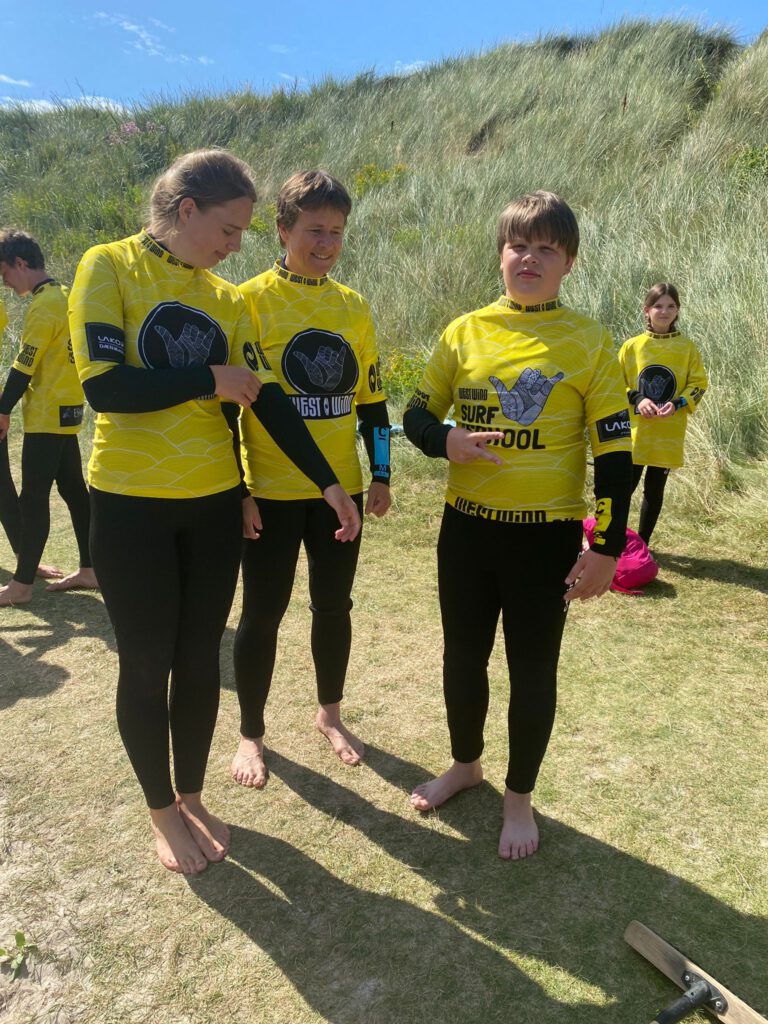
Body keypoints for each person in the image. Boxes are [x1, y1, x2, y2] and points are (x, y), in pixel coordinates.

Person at [67, 149, 360, 877]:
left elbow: (268, 400)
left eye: (243, 234)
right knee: (146, 661)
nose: (235, 246)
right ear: (187, 210)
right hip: (131, 502)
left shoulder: (227, 301)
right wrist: (207, 377)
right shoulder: (108, 266)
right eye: (228, 230)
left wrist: (327, 482)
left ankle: (190, 794)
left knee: (199, 658)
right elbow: (107, 389)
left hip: (211, 506)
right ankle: (160, 808)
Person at [403, 191, 633, 860]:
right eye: (517, 245)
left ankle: (518, 799)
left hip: (545, 539)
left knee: (533, 670)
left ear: (569, 263)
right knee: (461, 658)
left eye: (546, 248)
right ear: (501, 254)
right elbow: (417, 414)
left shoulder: (590, 341)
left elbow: (616, 456)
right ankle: (466, 765)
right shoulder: (463, 330)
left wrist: (606, 547)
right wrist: (446, 442)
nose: (528, 257)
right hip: (466, 531)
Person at [230, 170, 391, 789]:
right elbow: (227, 409)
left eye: (337, 232)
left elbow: (372, 401)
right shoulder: (246, 300)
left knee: (333, 606)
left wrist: (379, 473)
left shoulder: (352, 306)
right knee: (262, 614)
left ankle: (330, 714)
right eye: (314, 230)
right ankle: (251, 735)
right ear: (282, 229)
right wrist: (240, 488)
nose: (326, 243)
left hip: (340, 495)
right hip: (269, 492)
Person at [0, 230, 95, 607]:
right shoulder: (67, 294)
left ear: (21, 264)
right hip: (69, 411)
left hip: (45, 416)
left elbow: (25, 364)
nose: (5, 283)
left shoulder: (44, 304)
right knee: (74, 490)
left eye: (5, 273)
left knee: (34, 499)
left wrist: (3, 408)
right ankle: (90, 568)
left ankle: (21, 585)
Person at [618, 283, 707, 545]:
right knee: (624, 489)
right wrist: (638, 398)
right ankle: (613, 543)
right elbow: (612, 382)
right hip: (636, 432)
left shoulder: (687, 348)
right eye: (658, 306)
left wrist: (678, 403)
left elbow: (699, 384)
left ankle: (642, 545)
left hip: (668, 433)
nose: (664, 311)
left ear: (678, 311)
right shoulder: (632, 347)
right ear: (647, 310)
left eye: (670, 306)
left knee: (654, 491)